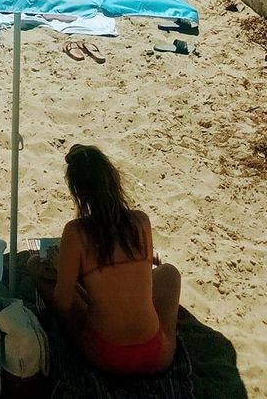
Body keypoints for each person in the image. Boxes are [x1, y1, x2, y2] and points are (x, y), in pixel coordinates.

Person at [33, 145, 180, 378]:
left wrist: (63, 270)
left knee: (38, 270)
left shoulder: (76, 232)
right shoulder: (141, 222)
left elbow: (63, 305)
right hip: (156, 356)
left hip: (105, 357)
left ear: (78, 192)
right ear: (113, 179)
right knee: (170, 273)